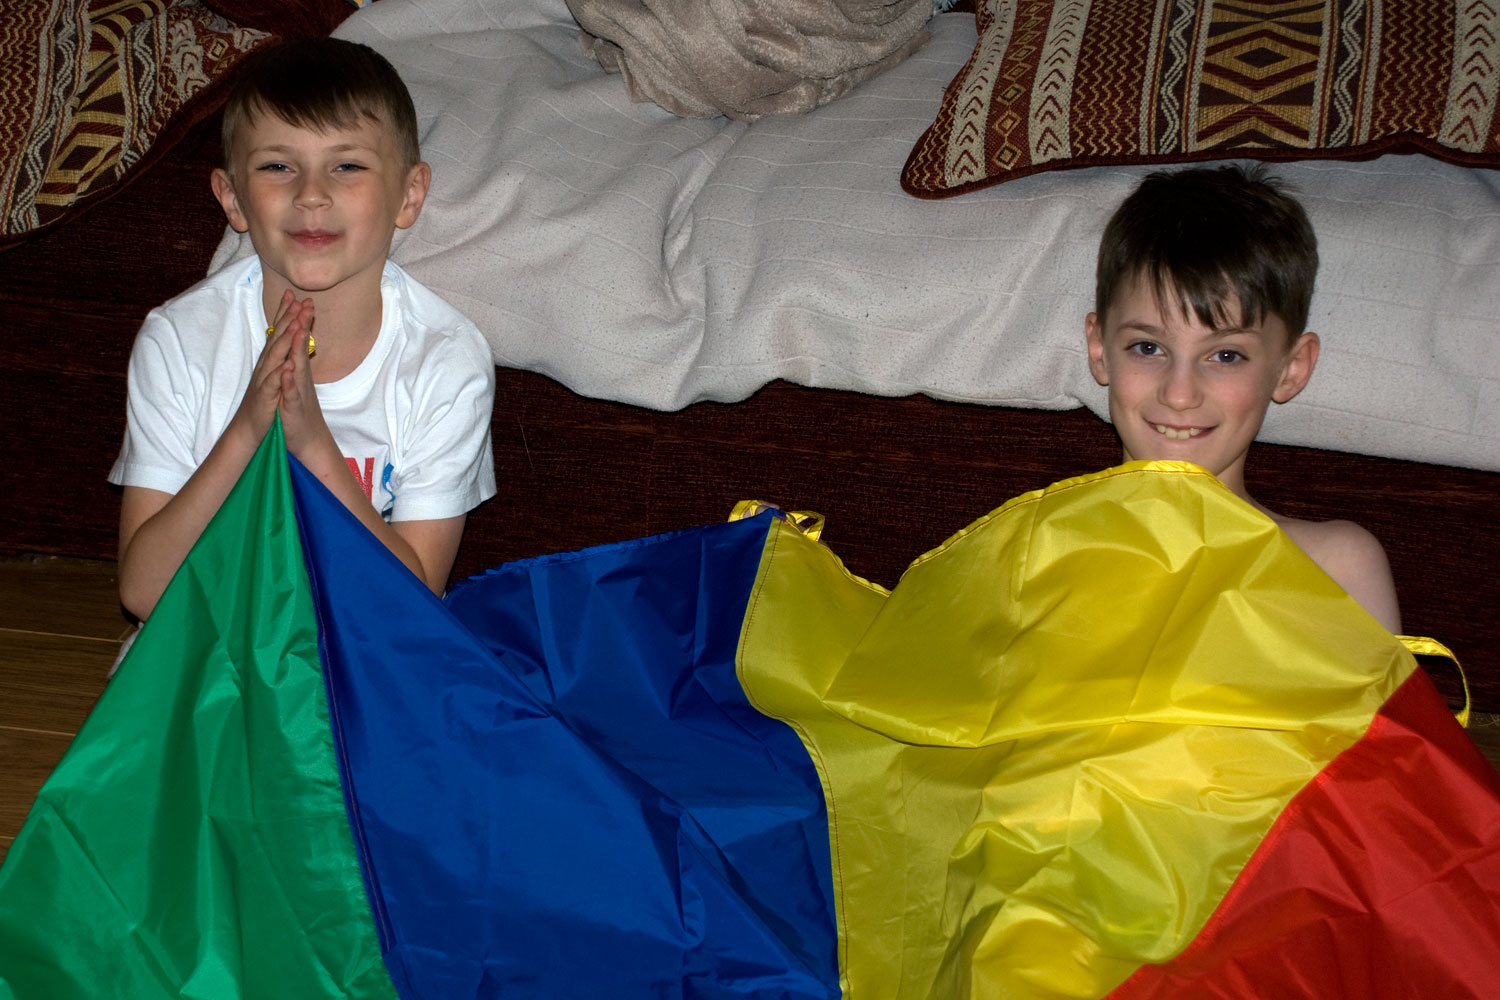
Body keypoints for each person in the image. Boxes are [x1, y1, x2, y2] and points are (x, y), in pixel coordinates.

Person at [109, 37, 496, 622]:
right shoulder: (179, 342)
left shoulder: (446, 361)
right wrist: (249, 428)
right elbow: (142, 592)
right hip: (212, 646)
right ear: (233, 199)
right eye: (277, 166)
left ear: (409, 194)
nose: (312, 194)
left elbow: (409, 608)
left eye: (347, 166)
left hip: (365, 649)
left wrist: (311, 442)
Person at [1083, 163, 1401, 633]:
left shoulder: (1332, 565)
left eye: (1226, 355)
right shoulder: (1030, 545)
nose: (1179, 394)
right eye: (1148, 348)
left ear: (1291, 369)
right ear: (1099, 350)